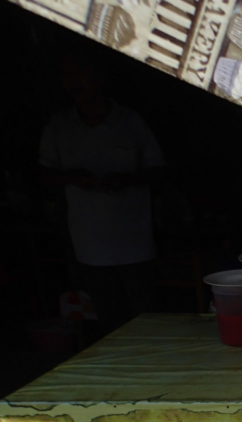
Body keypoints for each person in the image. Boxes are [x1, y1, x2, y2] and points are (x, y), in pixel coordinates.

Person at [39, 46, 165, 338]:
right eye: (68, 76)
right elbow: (43, 174)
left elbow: (159, 169)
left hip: (135, 243)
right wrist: (73, 177)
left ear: (99, 78)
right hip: (89, 246)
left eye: (80, 74)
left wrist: (126, 180)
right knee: (108, 322)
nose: (74, 82)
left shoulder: (129, 122)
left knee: (148, 319)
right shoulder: (59, 127)